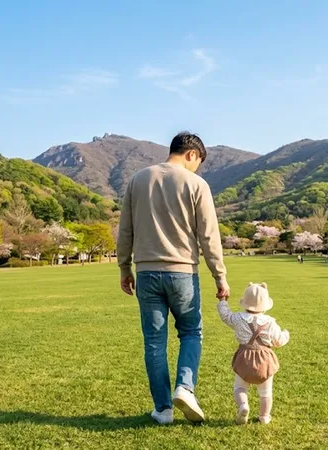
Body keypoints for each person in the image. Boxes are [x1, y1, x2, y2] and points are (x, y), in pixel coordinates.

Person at [117, 132, 229, 425]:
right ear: (192, 154)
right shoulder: (196, 184)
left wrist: (123, 267)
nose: (196, 169)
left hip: (146, 272)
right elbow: (208, 236)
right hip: (182, 273)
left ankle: (163, 410)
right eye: (198, 162)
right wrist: (220, 276)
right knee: (191, 333)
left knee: (154, 341)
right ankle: (185, 387)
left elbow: (125, 230)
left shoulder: (137, 180)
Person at [217, 283, 290, 425]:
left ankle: (243, 405)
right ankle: (264, 416)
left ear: (245, 303)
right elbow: (278, 341)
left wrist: (222, 301)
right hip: (265, 361)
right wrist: (286, 334)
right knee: (266, 392)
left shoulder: (238, 318)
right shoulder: (270, 323)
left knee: (240, 387)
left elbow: (225, 316)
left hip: (244, 358)